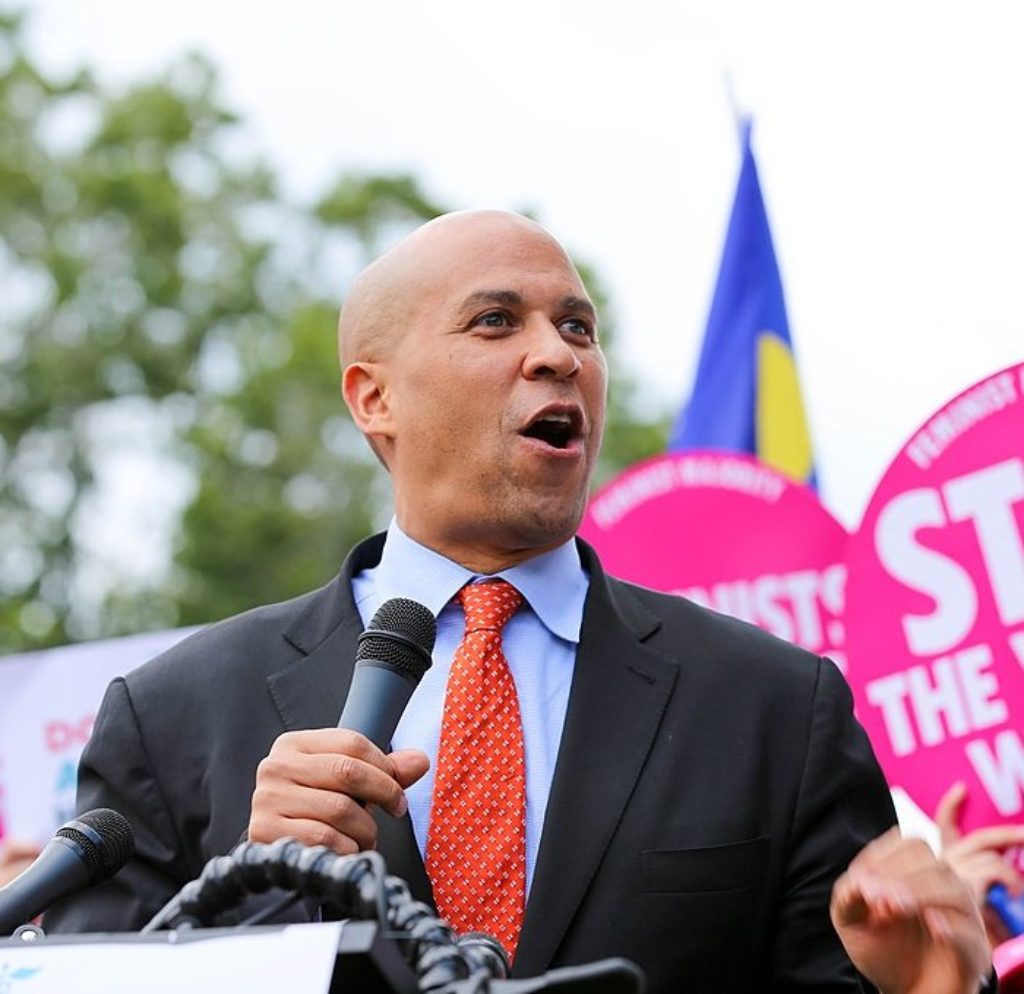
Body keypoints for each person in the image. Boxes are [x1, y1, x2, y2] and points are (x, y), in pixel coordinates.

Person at [44, 211, 991, 992]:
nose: (557, 355)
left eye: (577, 327)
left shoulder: (774, 708)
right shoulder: (175, 714)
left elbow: (865, 974)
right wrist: (249, 895)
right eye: (496, 321)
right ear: (374, 398)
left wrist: (921, 986)